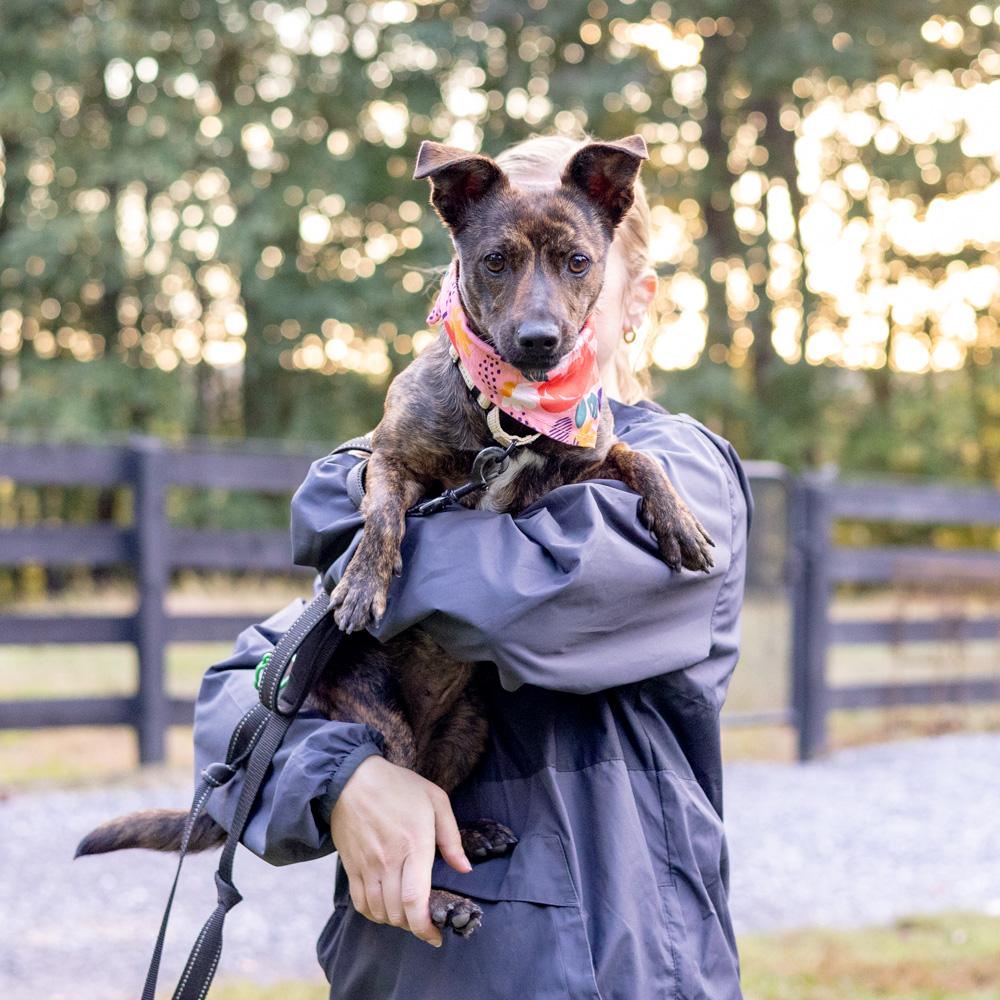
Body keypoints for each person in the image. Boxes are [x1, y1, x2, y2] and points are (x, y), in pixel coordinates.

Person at [192, 131, 753, 999]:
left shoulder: (688, 476)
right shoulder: (413, 451)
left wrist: (351, 520)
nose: (537, 311)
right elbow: (243, 685)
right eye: (499, 265)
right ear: (459, 272)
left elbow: (517, 600)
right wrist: (343, 779)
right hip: (405, 971)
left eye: (573, 266)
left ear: (635, 298)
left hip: (614, 969)